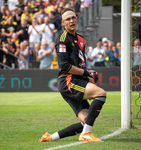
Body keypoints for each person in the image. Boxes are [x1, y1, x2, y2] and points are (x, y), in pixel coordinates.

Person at [38, 8, 106, 143]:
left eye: (73, 18)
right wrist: (88, 73)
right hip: (68, 81)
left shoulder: (80, 38)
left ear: (76, 19)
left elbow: (80, 63)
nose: (71, 21)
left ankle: (50, 137)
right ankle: (85, 135)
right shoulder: (62, 39)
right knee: (100, 93)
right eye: (67, 19)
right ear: (63, 23)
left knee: (87, 122)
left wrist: (86, 77)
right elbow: (64, 66)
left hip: (76, 80)